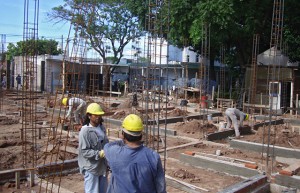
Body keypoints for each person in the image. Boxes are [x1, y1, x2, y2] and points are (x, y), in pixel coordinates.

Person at [103, 114, 166, 193]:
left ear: (123, 134)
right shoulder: (153, 156)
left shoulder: (114, 153)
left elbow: (107, 146)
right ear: (141, 135)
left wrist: (122, 140)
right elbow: (160, 186)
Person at [78, 103, 109, 193]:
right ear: (89, 116)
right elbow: (85, 152)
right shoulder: (85, 131)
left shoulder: (101, 127)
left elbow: (105, 143)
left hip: (102, 166)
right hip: (91, 168)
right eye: (95, 115)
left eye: (99, 115)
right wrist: (99, 154)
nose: (98, 117)